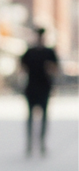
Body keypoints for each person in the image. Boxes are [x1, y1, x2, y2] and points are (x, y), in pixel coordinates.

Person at [20, 27, 59, 155]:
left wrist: (50, 69)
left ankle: (41, 142)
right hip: (32, 87)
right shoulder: (30, 52)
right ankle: (30, 143)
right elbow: (22, 66)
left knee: (43, 117)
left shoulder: (49, 52)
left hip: (44, 87)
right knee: (31, 116)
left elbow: (55, 68)